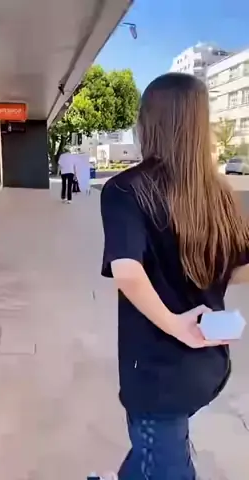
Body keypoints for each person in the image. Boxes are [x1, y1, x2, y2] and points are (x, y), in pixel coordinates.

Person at [98, 73, 249, 480]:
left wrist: (175, 325)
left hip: (156, 375)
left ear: (149, 121)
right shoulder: (218, 194)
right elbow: (236, 269)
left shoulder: (125, 189)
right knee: (157, 452)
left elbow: (127, 271)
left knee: (162, 459)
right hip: (208, 364)